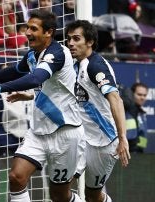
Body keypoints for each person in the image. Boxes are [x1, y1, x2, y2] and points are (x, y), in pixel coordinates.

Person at [0, 10, 85, 202]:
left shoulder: (58, 53)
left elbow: (36, 78)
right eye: (27, 28)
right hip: (39, 132)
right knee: (16, 177)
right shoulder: (33, 54)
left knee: (60, 196)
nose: (27, 33)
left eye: (34, 28)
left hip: (66, 133)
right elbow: (14, 72)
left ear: (49, 32)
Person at [65, 20, 131, 202]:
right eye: (68, 39)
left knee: (93, 196)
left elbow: (116, 100)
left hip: (105, 141)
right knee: (61, 185)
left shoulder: (95, 66)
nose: (70, 43)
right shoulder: (74, 65)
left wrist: (122, 137)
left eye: (76, 38)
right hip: (81, 138)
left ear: (90, 42)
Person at [123, 82, 148, 153]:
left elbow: (143, 134)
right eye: (139, 94)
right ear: (132, 94)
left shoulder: (142, 114)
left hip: (138, 153)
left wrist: (140, 149)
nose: (142, 97)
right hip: (126, 152)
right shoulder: (124, 111)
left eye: (144, 95)